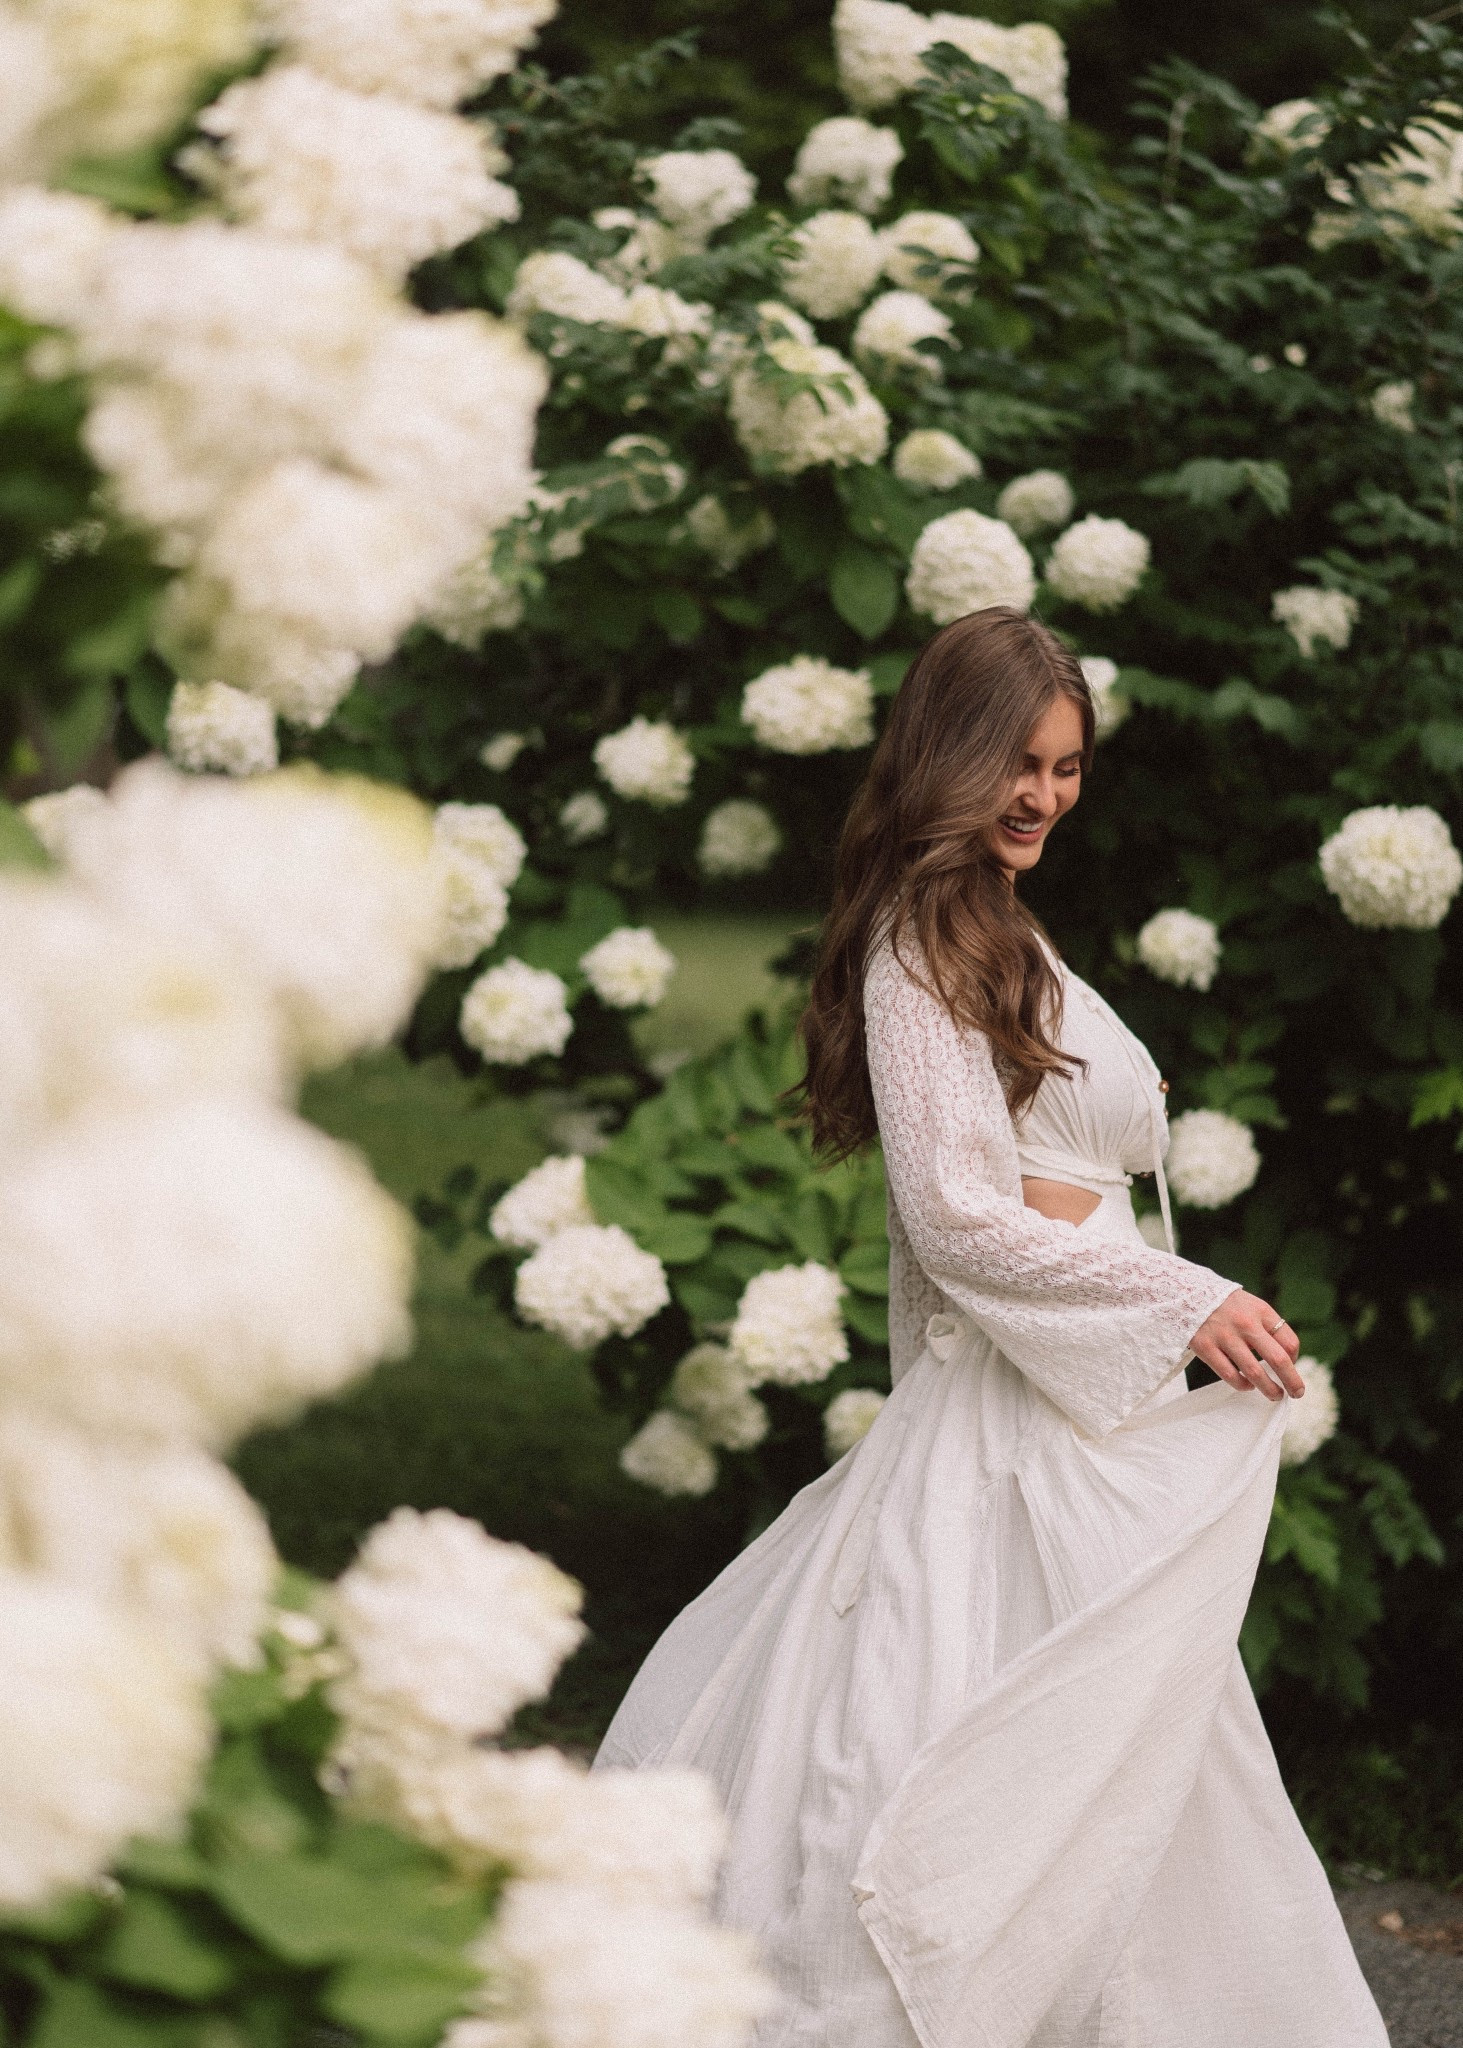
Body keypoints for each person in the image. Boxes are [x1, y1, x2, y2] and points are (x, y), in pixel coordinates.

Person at [595, 610, 1388, 2047]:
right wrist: (1186, 1297)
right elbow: (956, 1217)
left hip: (1067, 1406)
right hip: (1002, 1428)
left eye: (1068, 768)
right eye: (1018, 764)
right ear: (948, 759)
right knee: (968, 1751)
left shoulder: (995, 928)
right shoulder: (916, 943)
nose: (1043, 796)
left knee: (1129, 1757)